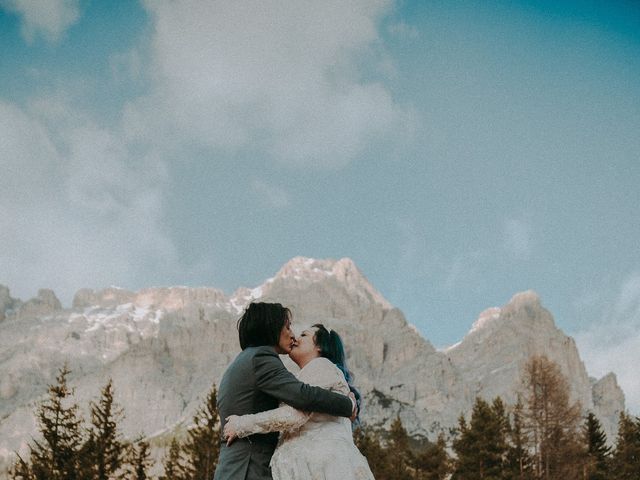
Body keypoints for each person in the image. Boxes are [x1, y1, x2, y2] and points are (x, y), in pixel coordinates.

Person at [213, 303, 356, 480]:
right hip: (248, 469)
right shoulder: (262, 358)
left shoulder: (245, 359)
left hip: (237, 468)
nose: (292, 334)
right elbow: (303, 396)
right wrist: (347, 404)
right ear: (272, 327)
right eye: (287, 326)